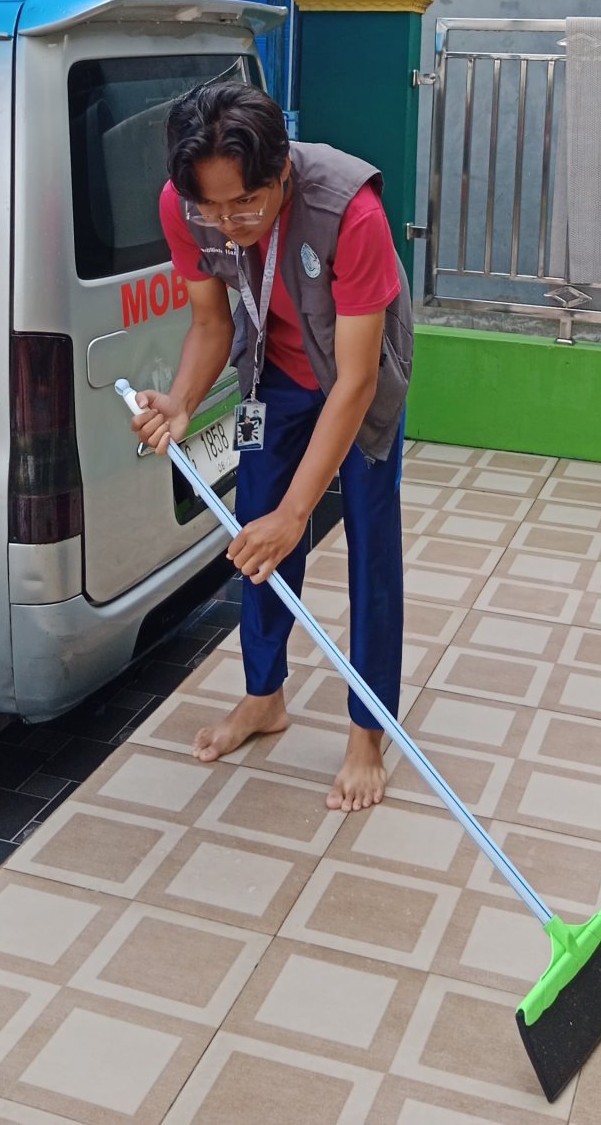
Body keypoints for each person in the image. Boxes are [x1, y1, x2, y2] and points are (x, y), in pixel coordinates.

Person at [131, 81, 412, 812]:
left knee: (369, 548)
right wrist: (182, 402)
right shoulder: (185, 207)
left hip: (359, 382)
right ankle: (264, 696)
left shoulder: (353, 214)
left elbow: (353, 381)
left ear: (282, 169)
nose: (227, 225)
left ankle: (366, 732)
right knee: (252, 531)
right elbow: (211, 324)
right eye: (211, 209)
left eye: (245, 205)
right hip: (271, 374)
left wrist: (300, 513)